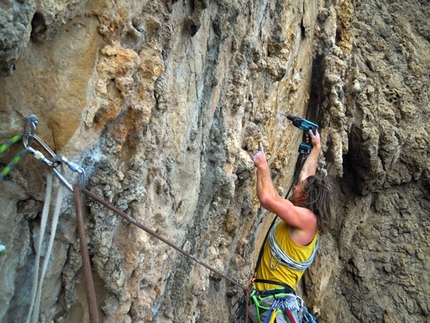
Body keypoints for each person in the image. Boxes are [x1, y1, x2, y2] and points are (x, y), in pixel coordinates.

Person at [245, 130, 333, 323]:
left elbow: (268, 198)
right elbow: (307, 175)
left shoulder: (307, 221)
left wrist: (262, 165)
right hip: (273, 302)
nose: (295, 186)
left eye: (300, 187)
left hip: (273, 305)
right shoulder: (308, 219)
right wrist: (316, 147)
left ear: (307, 196)